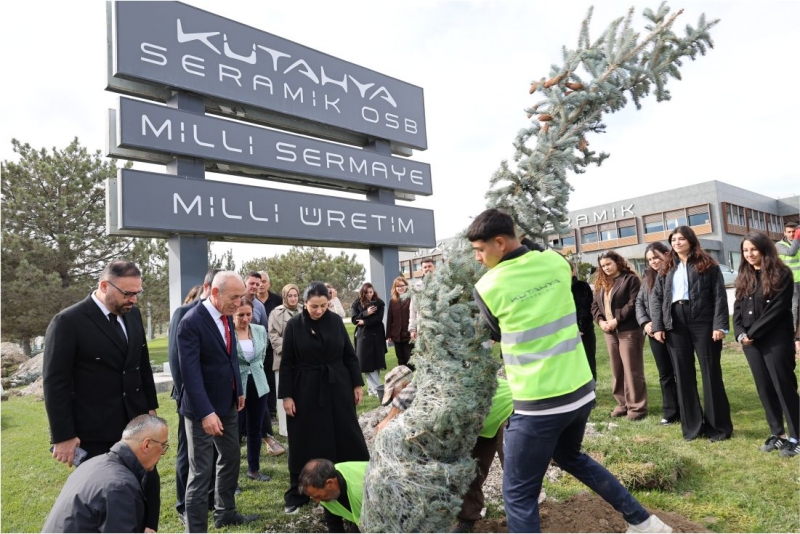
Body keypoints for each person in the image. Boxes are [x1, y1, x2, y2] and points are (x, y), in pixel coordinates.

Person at [467, 208, 671, 533]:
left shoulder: (488, 286)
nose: (477, 258)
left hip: (538, 404)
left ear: (500, 243)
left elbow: (493, 333)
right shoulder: (555, 264)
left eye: (480, 249)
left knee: (518, 494)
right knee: (570, 457)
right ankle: (644, 522)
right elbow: (539, 252)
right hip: (580, 393)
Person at [42, 260, 161, 531]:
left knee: (148, 483)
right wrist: (62, 436)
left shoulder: (133, 314)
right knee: (108, 497)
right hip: (95, 430)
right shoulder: (68, 321)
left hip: (135, 424)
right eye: (127, 293)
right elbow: (55, 382)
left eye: (137, 293)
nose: (133, 299)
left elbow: (141, 364)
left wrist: (150, 409)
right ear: (104, 285)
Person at [375, 365, 513, 533]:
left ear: (404, 386)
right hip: (480, 423)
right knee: (469, 470)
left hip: (505, 408)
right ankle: (467, 519)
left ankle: (522, 517)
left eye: (393, 396)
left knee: (514, 471)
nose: (394, 405)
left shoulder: (430, 378)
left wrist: (389, 419)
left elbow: (409, 394)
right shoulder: (424, 406)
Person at [279, 281, 370, 515]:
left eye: (323, 306)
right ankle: (301, 490)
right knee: (306, 436)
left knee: (345, 432)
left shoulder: (336, 321)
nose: (319, 311)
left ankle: (355, 478)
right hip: (305, 389)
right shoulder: (294, 326)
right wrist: (287, 396)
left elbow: (349, 355)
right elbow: (287, 363)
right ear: (304, 304)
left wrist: (357, 383)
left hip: (337, 386)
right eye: (314, 306)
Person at [178, 271, 258, 531]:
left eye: (241, 297)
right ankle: (197, 529)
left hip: (228, 404)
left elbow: (230, 356)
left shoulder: (225, 319)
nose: (239, 303)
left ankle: (225, 513)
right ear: (214, 292)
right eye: (234, 297)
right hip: (203, 412)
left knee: (231, 459)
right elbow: (190, 374)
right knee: (201, 473)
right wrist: (206, 413)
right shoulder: (191, 322)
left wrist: (239, 389)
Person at [651, 225, 733, 443]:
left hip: (703, 322)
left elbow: (719, 297)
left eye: (681, 239)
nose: (677, 242)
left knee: (710, 373)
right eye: (673, 239)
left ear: (690, 240)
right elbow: (657, 298)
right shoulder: (666, 267)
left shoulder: (708, 264)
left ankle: (718, 428)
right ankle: (693, 428)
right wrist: (658, 326)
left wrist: (720, 325)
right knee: (683, 375)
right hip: (675, 324)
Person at [43, 415, 169, 533]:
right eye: (163, 446)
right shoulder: (121, 486)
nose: (163, 452)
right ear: (146, 445)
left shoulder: (94, 463)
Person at [733, 232, 799, 457]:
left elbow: (777, 310)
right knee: (764, 387)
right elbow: (738, 310)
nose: (749, 254)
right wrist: (740, 333)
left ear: (764, 249)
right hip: (751, 343)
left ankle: (796, 437)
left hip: (776, 341)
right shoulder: (745, 275)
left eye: (753, 249)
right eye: (745, 250)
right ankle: (777, 434)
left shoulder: (782, 274)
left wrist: (752, 333)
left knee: (784, 387)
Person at [167, 268, 221, 526]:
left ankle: (208, 498)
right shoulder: (183, 313)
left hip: (217, 398)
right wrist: (186, 398)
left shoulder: (222, 315)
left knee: (210, 451)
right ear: (208, 286)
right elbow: (178, 362)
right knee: (187, 453)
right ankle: (183, 504)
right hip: (191, 399)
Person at [591, 251, 647, 420]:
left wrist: (616, 320)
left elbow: (633, 303)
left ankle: (637, 408)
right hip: (609, 332)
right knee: (617, 369)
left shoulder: (630, 280)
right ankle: (622, 404)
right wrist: (600, 321)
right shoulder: (601, 282)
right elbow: (594, 305)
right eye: (603, 266)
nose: (606, 268)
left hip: (628, 330)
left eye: (608, 264)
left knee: (632, 369)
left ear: (617, 262)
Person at [636, 243, 680, 426]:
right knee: (665, 374)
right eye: (650, 259)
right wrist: (645, 323)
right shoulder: (648, 277)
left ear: (666, 255)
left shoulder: (677, 272)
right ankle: (670, 412)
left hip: (674, 330)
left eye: (656, 257)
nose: (653, 262)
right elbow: (639, 302)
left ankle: (686, 410)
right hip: (654, 332)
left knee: (681, 372)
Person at [234, 300, 273, 482]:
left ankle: (254, 469)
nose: (245, 318)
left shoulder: (259, 330)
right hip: (236, 386)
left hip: (258, 384)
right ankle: (230, 478)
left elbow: (262, 355)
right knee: (234, 433)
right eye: (240, 314)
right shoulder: (227, 332)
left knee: (255, 429)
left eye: (248, 314)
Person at [268, 283, 302, 439]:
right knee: (284, 394)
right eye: (290, 295)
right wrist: (291, 347)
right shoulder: (276, 313)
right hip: (283, 359)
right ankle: (284, 429)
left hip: (303, 359)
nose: (293, 298)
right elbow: (273, 336)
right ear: (285, 296)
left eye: (295, 295)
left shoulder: (304, 310)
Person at [299, 459, 368, 533]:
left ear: (330, 483)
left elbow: (376, 523)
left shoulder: (361, 490)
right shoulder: (328, 491)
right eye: (313, 497)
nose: (317, 501)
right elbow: (334, 523)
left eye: (318, 496)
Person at [350, 283, 388, 398]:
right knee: (365, 363)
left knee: (376, 363)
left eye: (371, 292)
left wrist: (365, 321)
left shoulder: (379, 303)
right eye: (367, 293)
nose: (369, 295)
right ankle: (376, 389)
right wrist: (366, 313)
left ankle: (375, 389)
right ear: (363, 292)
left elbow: (378, 319)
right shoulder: (356, 303)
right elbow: (354, 320)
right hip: (363, 336)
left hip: (377, 335)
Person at [257, 271, 283, 433]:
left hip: (272, 346)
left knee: (271, 379)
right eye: (258, 282)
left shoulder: (277, 300)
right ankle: (262, 412)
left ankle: (272, 412)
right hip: (257, 347)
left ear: (269, 284)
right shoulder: (249, 300)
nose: (261, 285)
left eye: (264, 281)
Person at [569, 259, 596, 381]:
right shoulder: (556, 288)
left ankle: (591, 394)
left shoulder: (582, 286)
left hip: (584, 333)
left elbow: (587, 308)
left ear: (573, 270)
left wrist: (581, 328)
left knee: (588, 363)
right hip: (564, 334)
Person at [775, 221, 800, 328]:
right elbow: (791, 252)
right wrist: (797, 238)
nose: (792, 234)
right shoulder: (779, 245)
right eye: (789, 232)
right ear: (784, 233)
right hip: (790, 281)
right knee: (794, 306)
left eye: (794, 232)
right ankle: (794, 331)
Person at [385, 277, 413, 368]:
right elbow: (390, 318)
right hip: (397, 335)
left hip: (409, 335)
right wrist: (388, 334)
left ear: (406, 286)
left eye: (402, 285)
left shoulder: (411, 299)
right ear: (394, 288)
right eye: (397, 286)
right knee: (401, 360)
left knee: (410, 360)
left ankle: (412, 380)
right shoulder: (393, 301)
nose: (400, 288)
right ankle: (403, 380)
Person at [409, 258, 436, 341]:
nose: (427, 269)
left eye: (429, 266)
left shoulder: (441, 283)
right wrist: (412, 329)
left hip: (439, 326)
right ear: (422, 270)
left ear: (434, 267)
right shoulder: (417, 287)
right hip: (422, 326)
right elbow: (413, 309)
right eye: (425, 267)